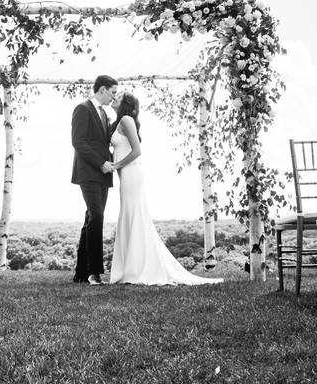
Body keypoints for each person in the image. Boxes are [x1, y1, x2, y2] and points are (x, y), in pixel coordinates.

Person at [108, 91, 223, 286]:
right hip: (125, 176)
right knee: (130, 216)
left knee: (135, 216)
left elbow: (137, 151)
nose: (114, 98)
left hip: (132, 174)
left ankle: (137, 269)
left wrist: (116, 166)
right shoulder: (120, 121)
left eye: (118, 97)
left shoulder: (127, 119)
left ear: (126, 103)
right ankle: (131, 267)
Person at [71, 75, 118, 285]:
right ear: (102, 90)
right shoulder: (82, 109)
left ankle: (81, 273)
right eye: (113, 92)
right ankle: (94, 273)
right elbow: (78, 142)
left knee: (90, 218)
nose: (113, 96)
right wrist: (101, 163)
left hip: (102, 175)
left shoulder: (105, 113)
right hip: (88, 173)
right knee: (97, 217)